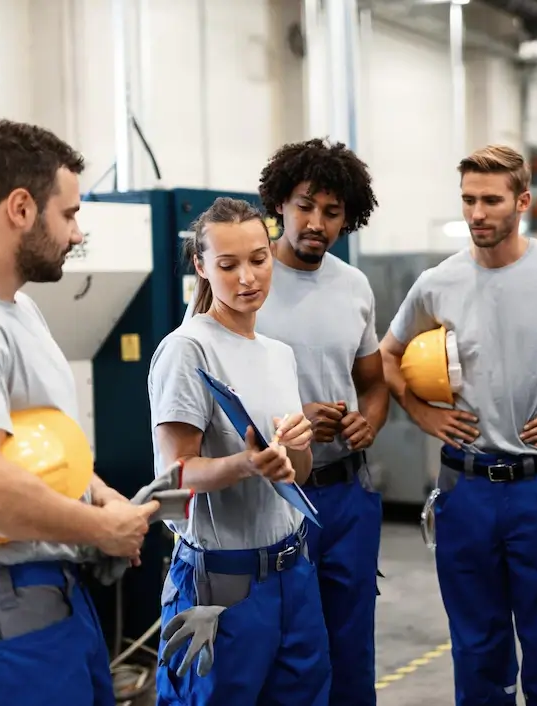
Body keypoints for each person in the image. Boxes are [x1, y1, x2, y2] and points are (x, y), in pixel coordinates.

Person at [378, 144, 537, 706]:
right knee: (477, 652)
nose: (477, 214)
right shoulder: (437, 284)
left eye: (491, 200)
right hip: (463, 490)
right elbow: (387, 355)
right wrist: (421, 413)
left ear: (522, 202)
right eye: (468, 200)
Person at [0, 118, 158, 704]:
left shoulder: (20, 312)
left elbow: (44, 444)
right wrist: (99, 529)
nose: (77, 233)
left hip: (54, 592)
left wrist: (99, 495)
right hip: (1, 605)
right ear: (20, 208)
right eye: (68, 214)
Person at [149, 197, 330, 705]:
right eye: (228, 265)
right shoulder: (189, 350)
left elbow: (298, 473)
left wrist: (296, 448)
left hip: (292, 573)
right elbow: (174, 475)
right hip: (222, 585)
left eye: (258, 259)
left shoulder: (278, 355)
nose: (247, 277)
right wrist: (246, 463)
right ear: (202, 267)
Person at [255, 138, 387, 706]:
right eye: (306, 205)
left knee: (351, 647)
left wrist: (369, 423)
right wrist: (293, 419)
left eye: (332, 212)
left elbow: (374, 384)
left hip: (346, 497)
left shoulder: (353, 286)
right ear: (281, 202)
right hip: (271, 499)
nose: (316, 222)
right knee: (283, 649)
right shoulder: (244, 280)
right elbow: (212, 393)